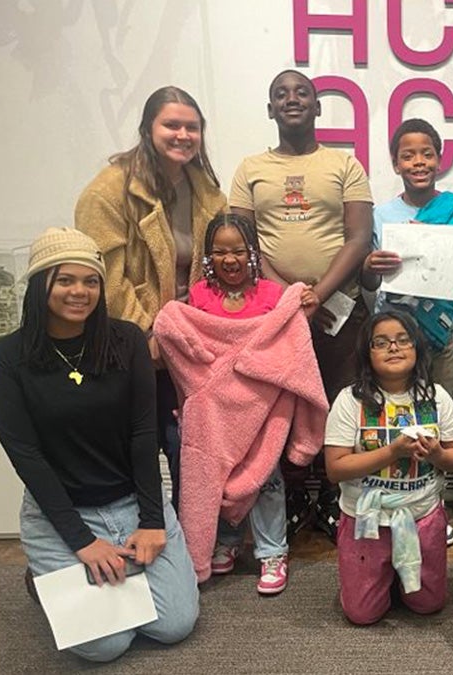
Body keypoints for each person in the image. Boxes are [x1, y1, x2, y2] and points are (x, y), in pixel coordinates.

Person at [0, 228, 198, 662]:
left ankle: (87, 583)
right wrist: (82, 541)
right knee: (104, 647)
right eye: (65, 280)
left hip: (129, 504)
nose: (79, 291)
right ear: (40, 283)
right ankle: (46, 578)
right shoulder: (5, 359)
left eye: (91, 280)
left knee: (174, 625)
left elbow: (144, 434)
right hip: (60, 510)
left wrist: (153, 520)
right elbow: (27, 457)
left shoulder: (128, 341)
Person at [230, 69, 374, 542]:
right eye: (280, 94)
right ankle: (292, 497)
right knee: (280, 408)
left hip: (339, 310)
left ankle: (334, 499)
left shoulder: (345, 165)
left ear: (316, 107)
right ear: (270, 109)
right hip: (272, 311)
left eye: (302, 93)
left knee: (339, 404)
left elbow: (358, 239)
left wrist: (319, 294)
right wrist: (288, 297)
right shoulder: (250, 169)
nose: (291, 100)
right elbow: (244, 242)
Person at [153, 213, 327, 587]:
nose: (229, 260)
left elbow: (287, 349)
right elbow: (189, 354)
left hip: (261, 409)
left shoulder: (274, 296)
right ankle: (227, 544)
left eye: (238, 251)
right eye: (219, 252)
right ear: (207, 258)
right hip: (216, 411)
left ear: (253, 254)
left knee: (265, 478)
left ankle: (272, 552)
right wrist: (191, 397)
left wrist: (302, 299)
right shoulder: (198, 297)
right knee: (213, 479)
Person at [76, 85, 227, 509]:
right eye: (172, 125)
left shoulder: (209, 193)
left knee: (189, 447)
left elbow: (219, 267)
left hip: (189, 345)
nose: (183, 135)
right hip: (133, 345)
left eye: (192, 127)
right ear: (147, 129)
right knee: (135, 446)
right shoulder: (109, 190)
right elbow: (102, 277)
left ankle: (189, 536)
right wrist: (148, 334)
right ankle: (140, 532)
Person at [360, 118, 453, 546]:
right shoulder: (382, 215)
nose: (418, 161)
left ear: (439, 158)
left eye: (427, 153)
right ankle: (393, 498)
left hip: (443, 334)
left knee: (437, 418)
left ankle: (436, 505)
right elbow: (367, 279)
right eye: (408, 155)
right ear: (395, 163)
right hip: (396, 335)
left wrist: (434, 238)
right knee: (395, 418)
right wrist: (371, 268)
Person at [323, 310, 453, 625]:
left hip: (422, 515)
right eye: (381, 342)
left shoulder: (437, 397)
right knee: (362, 614)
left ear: (417, 349)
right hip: (366, 519)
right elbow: (335, 468)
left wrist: (437, 455)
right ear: (366, 353)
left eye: (403, 340)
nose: (394, 348)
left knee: (429, 605)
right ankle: (380, 574)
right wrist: (393, 451)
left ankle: (398, 575)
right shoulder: (350, 401)